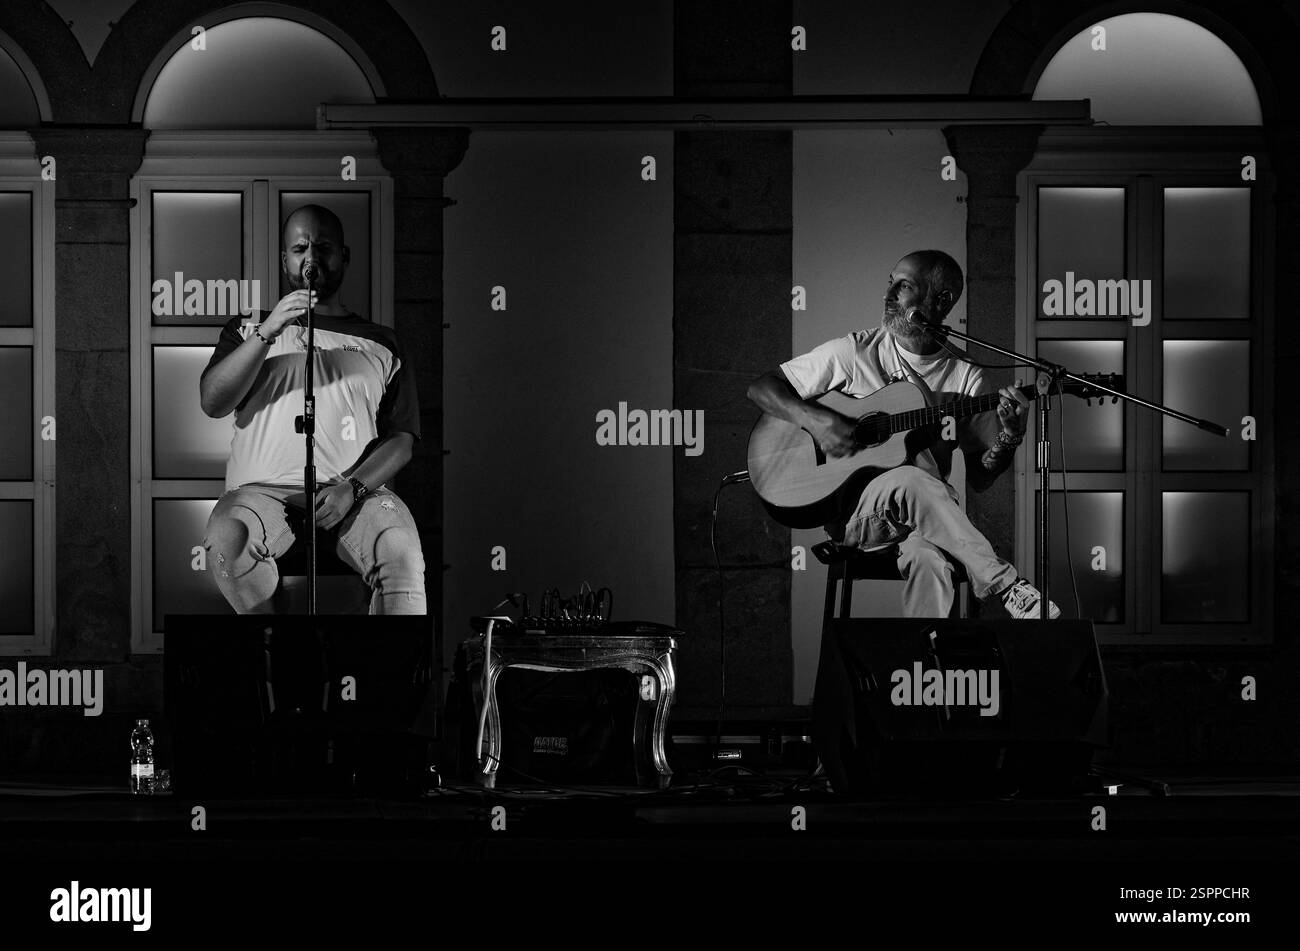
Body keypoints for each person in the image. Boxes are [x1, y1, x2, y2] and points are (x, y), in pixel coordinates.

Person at [747, 249, 1058, 619]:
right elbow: (762, 389)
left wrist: (1009, 437)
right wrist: (817, 421)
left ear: (940, 301)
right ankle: (1006, 586)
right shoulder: (855, 352)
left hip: (926, 520)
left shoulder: (967, 376)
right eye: (890, 283)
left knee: (929, 561)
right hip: (857, 516)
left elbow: (981, 476)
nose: (889, 295)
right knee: (911, 478)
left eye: (904, 286)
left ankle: (922, 669)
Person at [199, 204, 426, 615]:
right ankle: (279, 671)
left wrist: (352, 488)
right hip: (260, 492)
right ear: (285, 258)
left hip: (356, 491)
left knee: (399, 550)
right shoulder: (249, 328)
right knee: (228, 538)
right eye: (300, 247)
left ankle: (388, 679)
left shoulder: (382, 342)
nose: (311, 258)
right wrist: (269, 332)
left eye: (323, 247)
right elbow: (213, 402)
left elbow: (402, 441)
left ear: (344, 255)